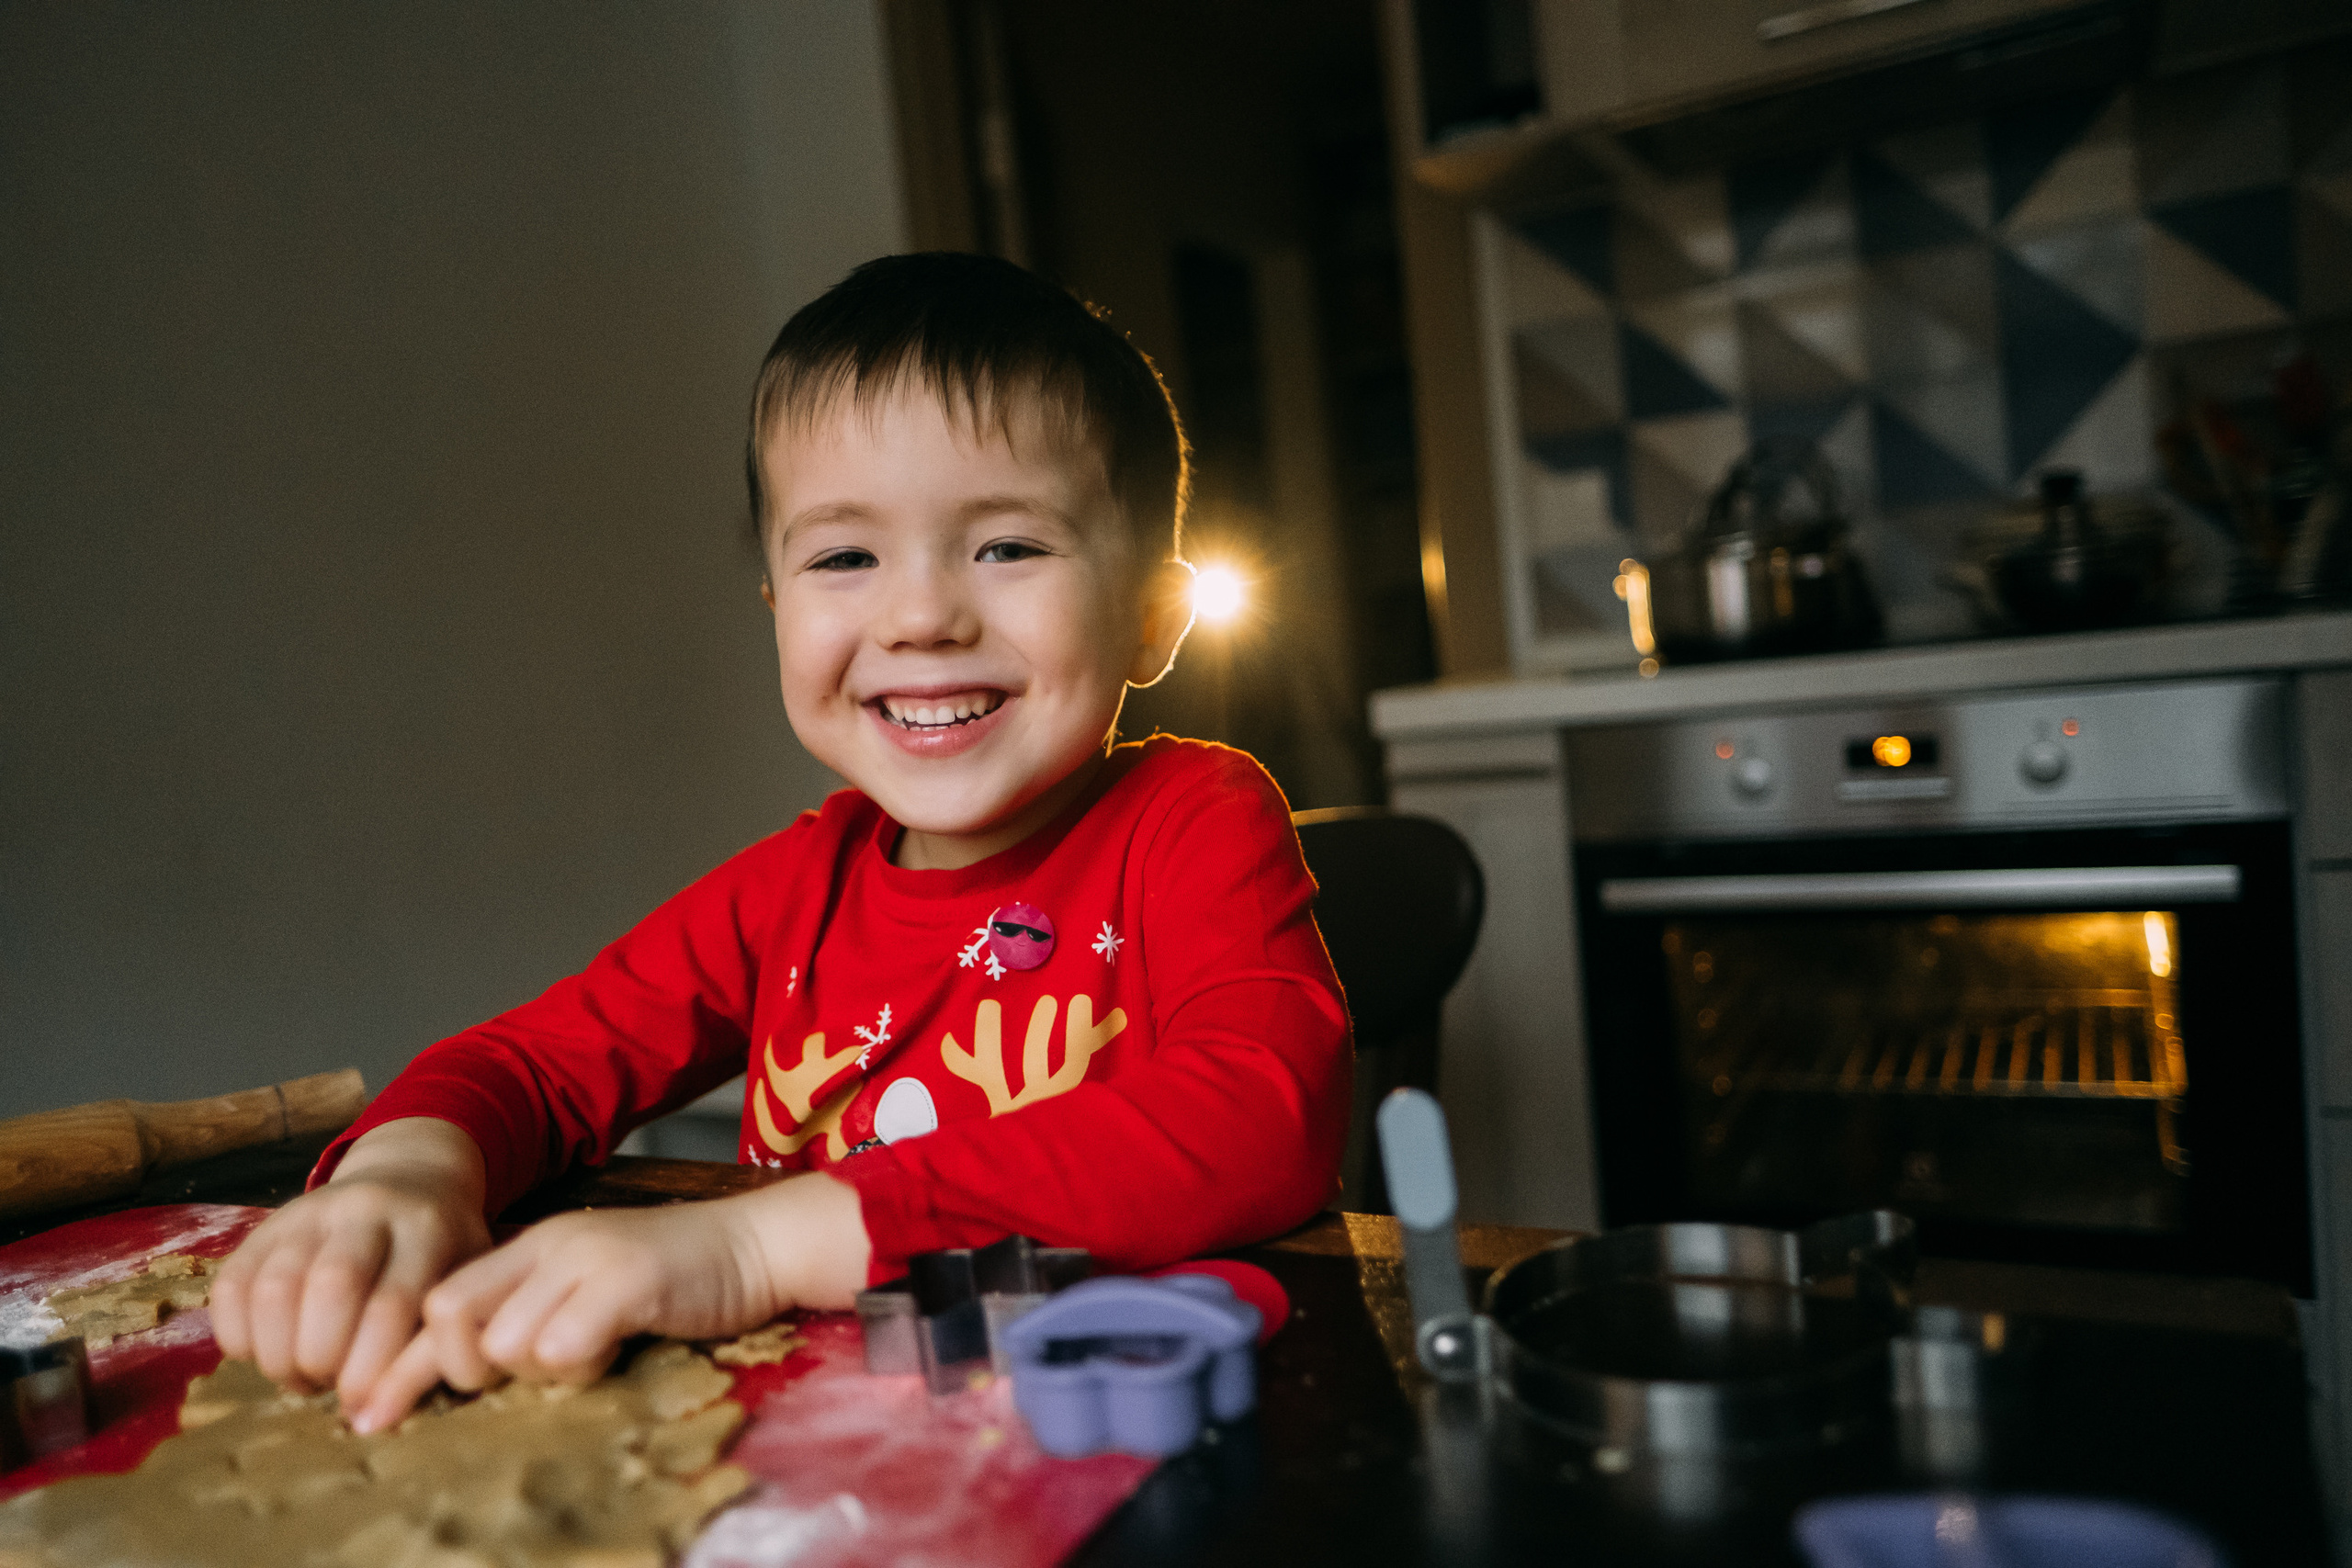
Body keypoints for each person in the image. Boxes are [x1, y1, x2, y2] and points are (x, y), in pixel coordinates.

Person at [209, 253, 1353, 1433]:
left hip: (1111, 1444)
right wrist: (407, 1172)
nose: (919, 618)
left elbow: (1266, 1112)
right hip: (820, 1444)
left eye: (1007, 546)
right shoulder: (791, 889)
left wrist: (753, 1250)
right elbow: (538, 1066)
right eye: (844, 558)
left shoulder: (1194, 817)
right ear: (776, 610)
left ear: (1155, 620)